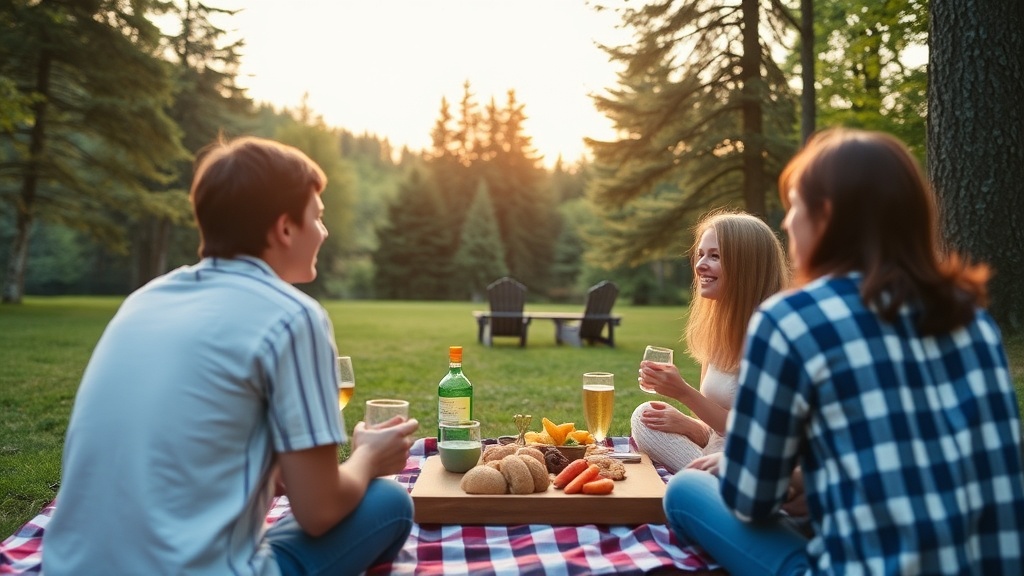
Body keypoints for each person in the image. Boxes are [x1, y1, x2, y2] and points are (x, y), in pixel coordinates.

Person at [43, 136, 420, 575]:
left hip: (69, 566)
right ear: (284, 228)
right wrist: (367, 458)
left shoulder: (143, 301)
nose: (324, 231)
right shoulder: (293, 317)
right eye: (317, 216)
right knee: (389, 501)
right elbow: (320, 511)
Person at [664, 128, 1024, 575]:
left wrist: (779, 479)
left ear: (827, 216)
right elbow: (987, 473)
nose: (787, 224)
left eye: (795, 206)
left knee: (685, 491)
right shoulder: (970, 321)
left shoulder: (793, 318)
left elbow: (751, 499)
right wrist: (810, 479)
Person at [630, 210, 789, 473]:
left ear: (747, 266)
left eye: (715, 256)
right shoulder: (721, 330)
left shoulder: (773, 337)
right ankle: (701, 476)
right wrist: (691, 426)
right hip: (717, 449)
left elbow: (759, 432)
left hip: (752, 464)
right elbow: (717, 422)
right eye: (700, 254)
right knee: (645, 415)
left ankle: (705, 482)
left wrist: (683, 392)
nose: (700, 265)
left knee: (692, 482)